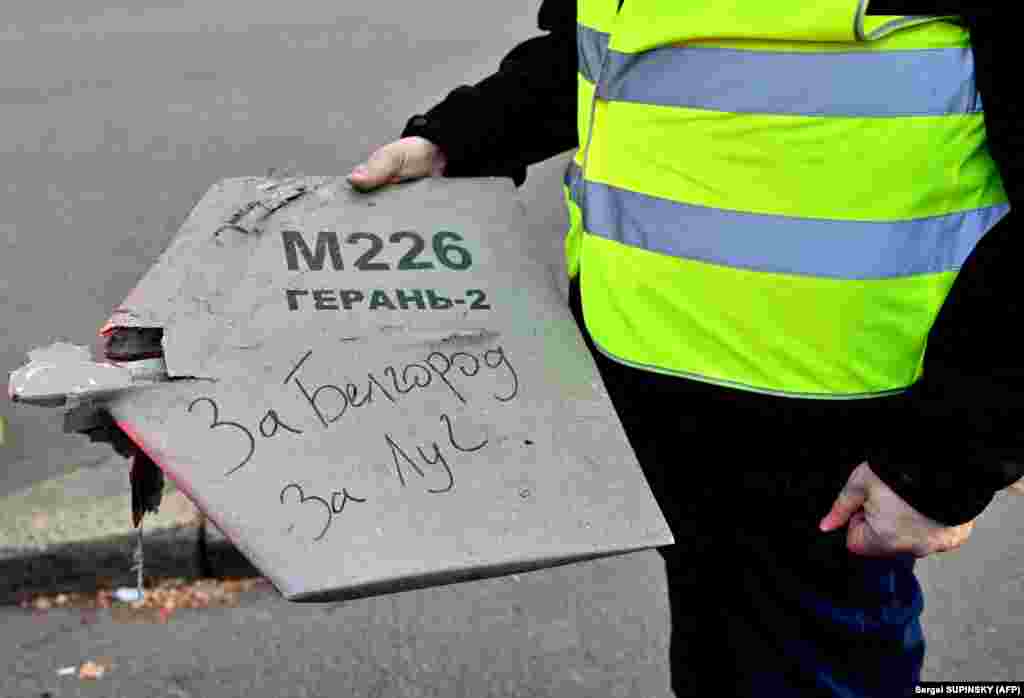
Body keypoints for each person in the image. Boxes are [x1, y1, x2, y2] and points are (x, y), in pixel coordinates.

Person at [347, 2, 1022, 695]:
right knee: (720, 662)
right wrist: (461, 137)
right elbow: (609, 51)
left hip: (828, 422)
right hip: (653, 376)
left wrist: (945, 462)